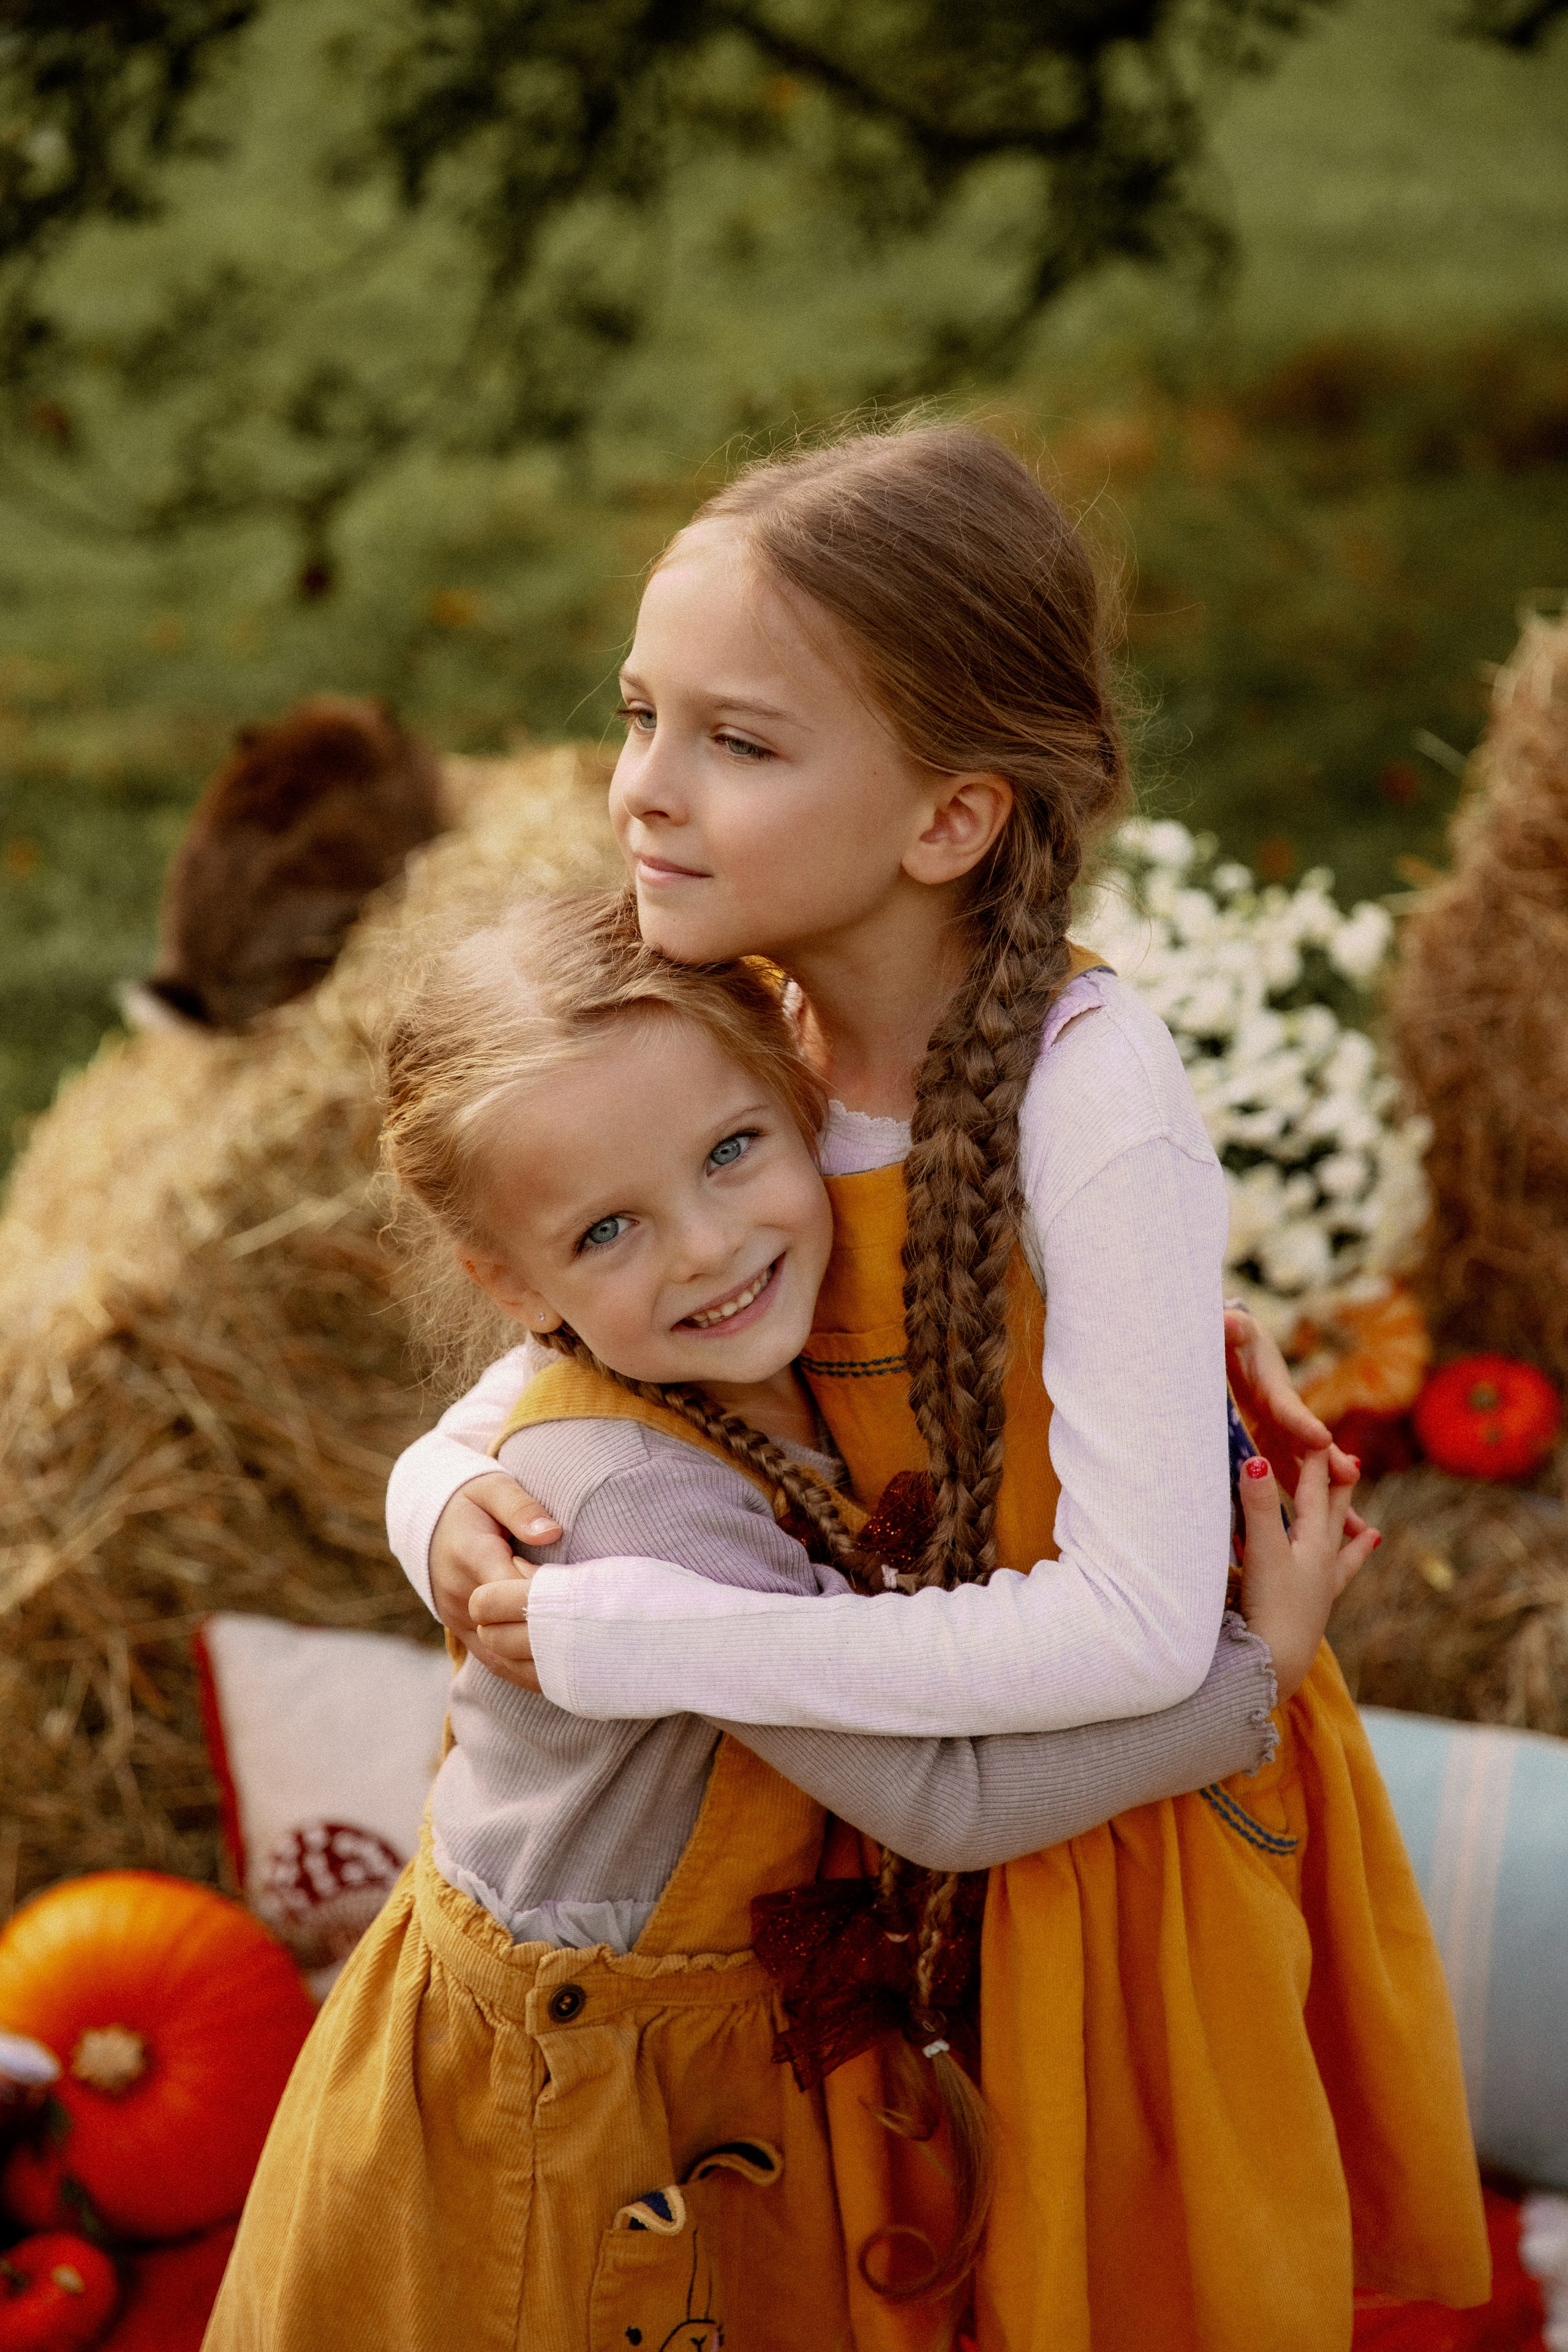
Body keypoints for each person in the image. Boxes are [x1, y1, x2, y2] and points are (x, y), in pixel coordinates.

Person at [388, 424, 1489, 2351]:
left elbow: (1140, 1630)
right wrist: (439, 1499)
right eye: (644, 715)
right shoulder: (752, 1026)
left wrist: (661, 1634)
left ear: (949, 820)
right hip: (852, 1817)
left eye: (739, 742)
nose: (643, 789)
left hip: (1091, 1833)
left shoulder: (1088, 1094)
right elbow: (543, 1360)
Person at [206, 890, 1333, 2352]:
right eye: (608, 1228)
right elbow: (943, 1796)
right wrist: (1259, 1673)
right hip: (565, 2110)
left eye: (733, 1151)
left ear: (799, 1098)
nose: (704, 1249)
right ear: (509, 1280)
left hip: (701, 2061)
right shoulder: (632, 1507)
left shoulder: (747, 1372)